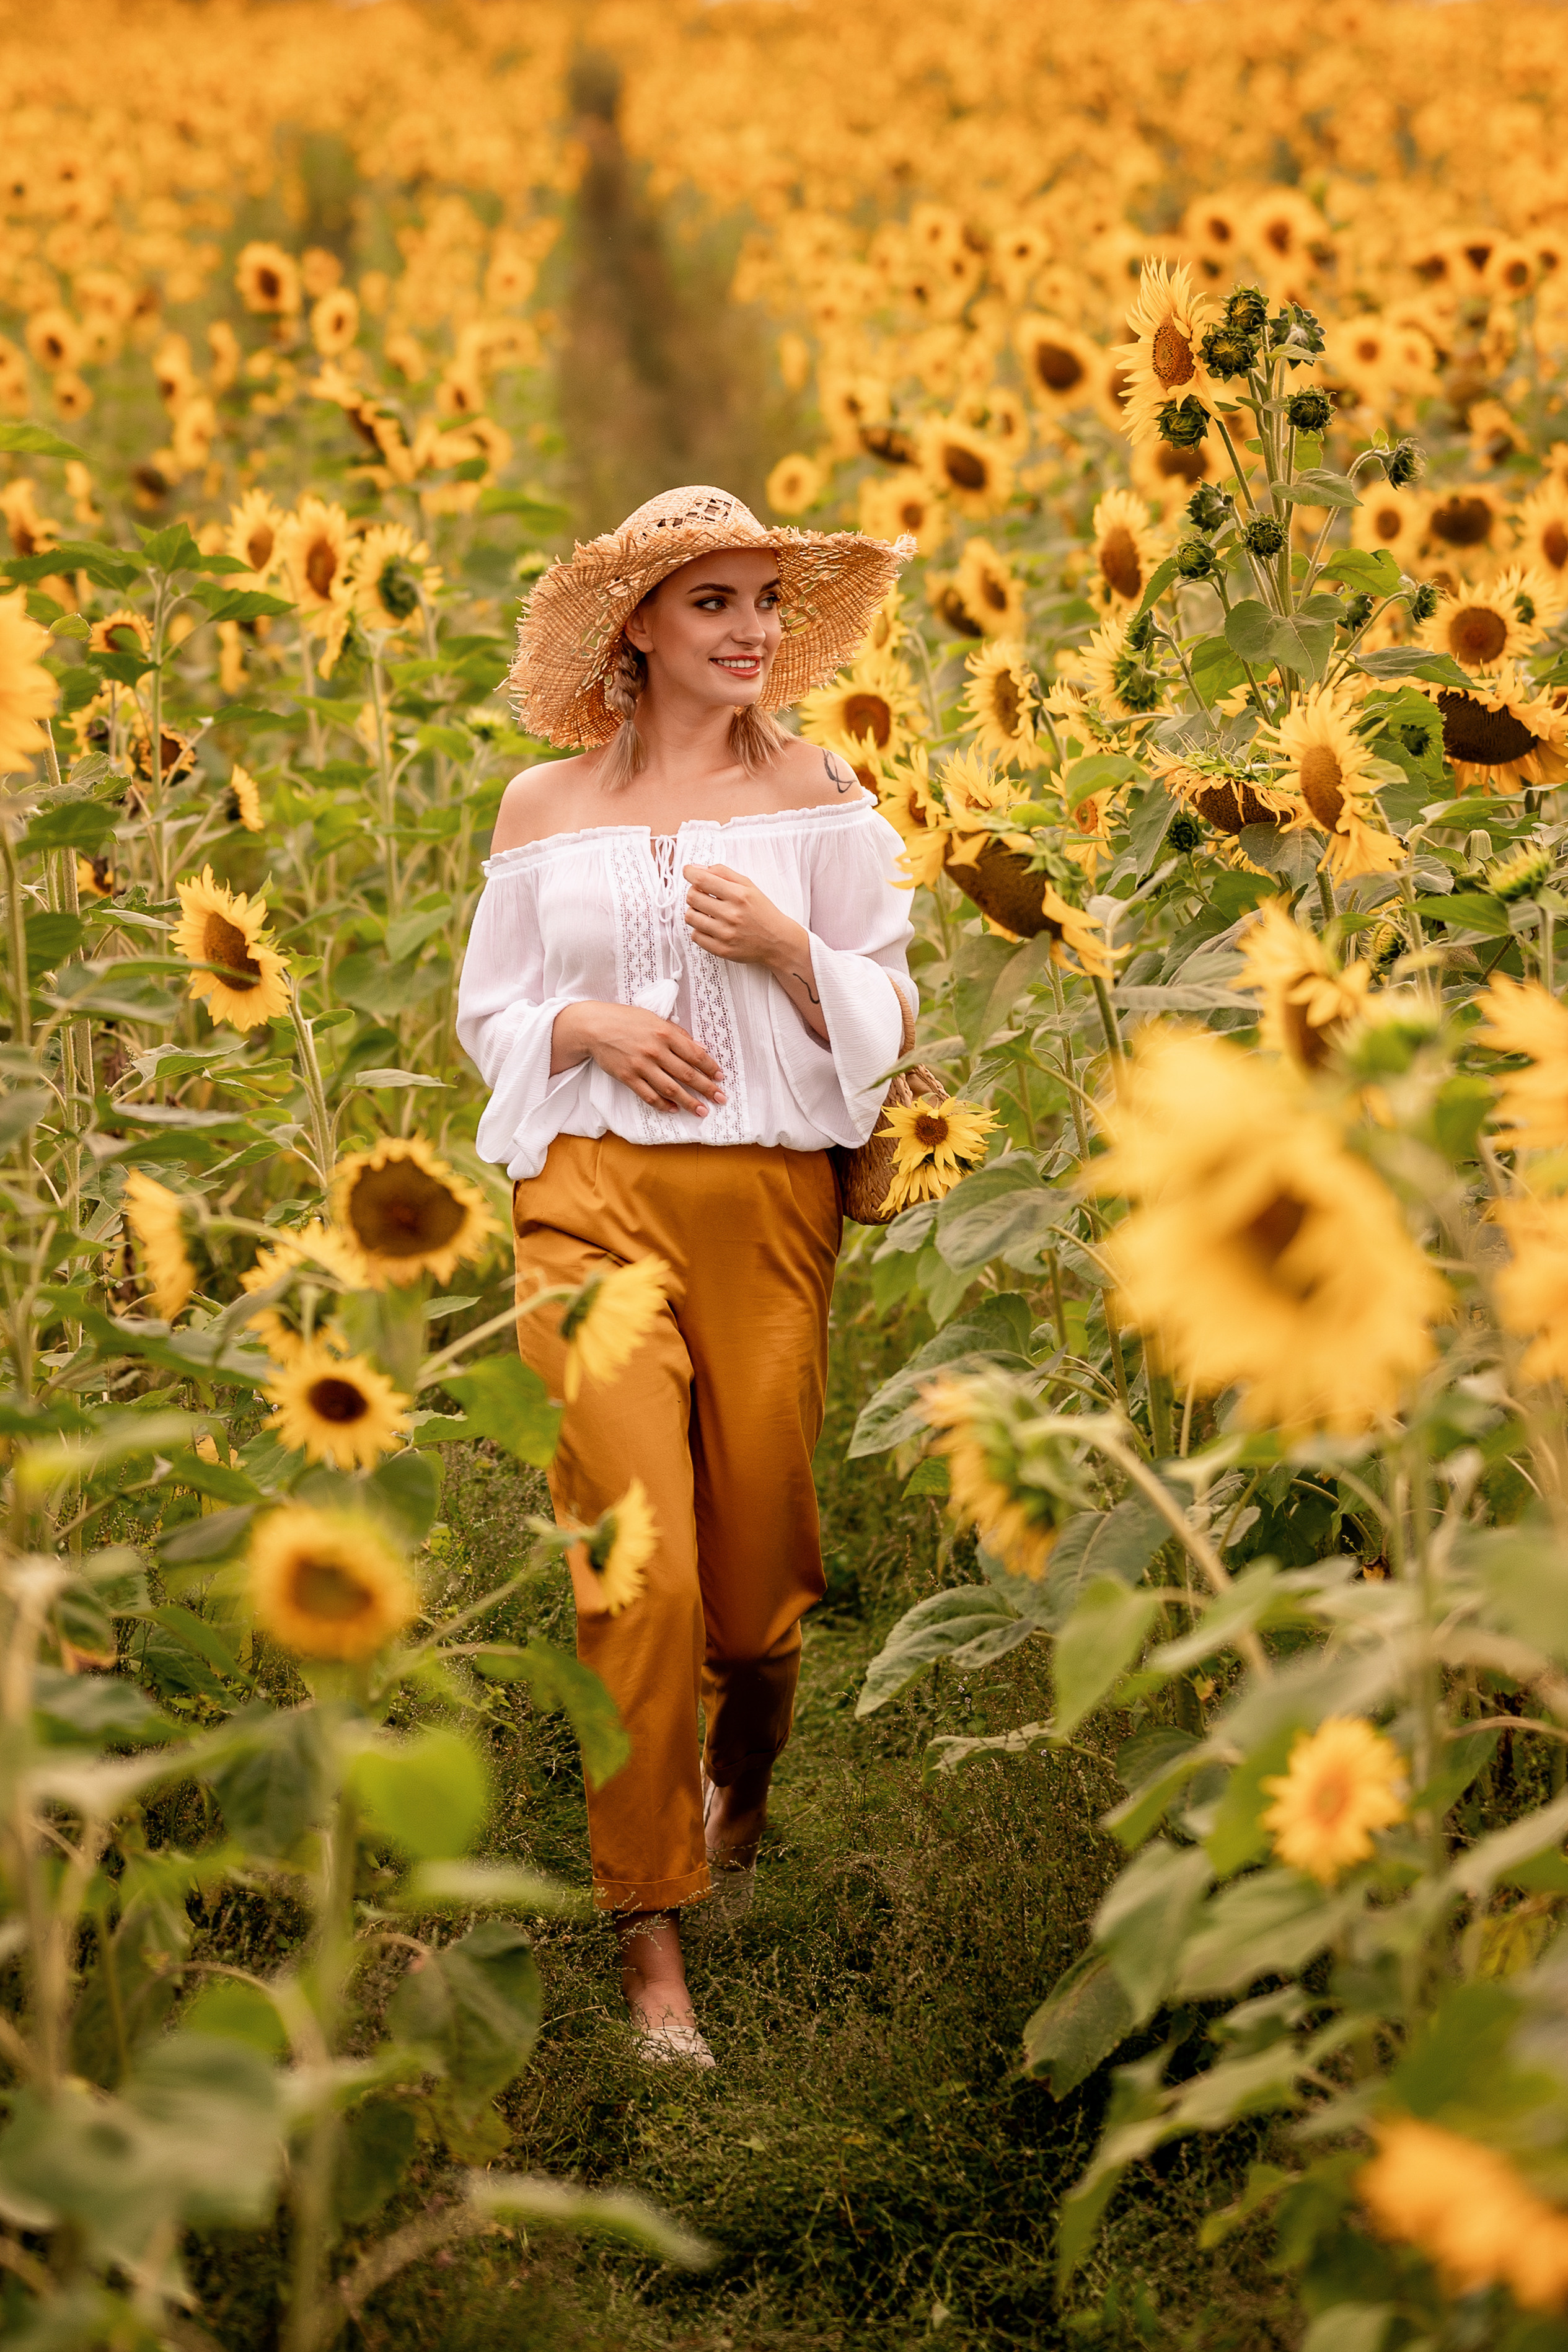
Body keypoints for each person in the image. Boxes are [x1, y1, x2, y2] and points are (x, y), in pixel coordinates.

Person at [456, 485, 914, 2064]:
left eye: (767, 602)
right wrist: (577, 1027)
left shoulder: (820, 797)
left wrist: (792, 952)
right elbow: (493, 1015)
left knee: (757, 1588)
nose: (750, 633)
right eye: (713, 602)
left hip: (767, 1207)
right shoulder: (538, 809)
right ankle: (651, 1933)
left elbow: (895, 1024)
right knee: (631, 1571)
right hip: (584, 1205)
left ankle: (751, 1774)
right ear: (635, 625)